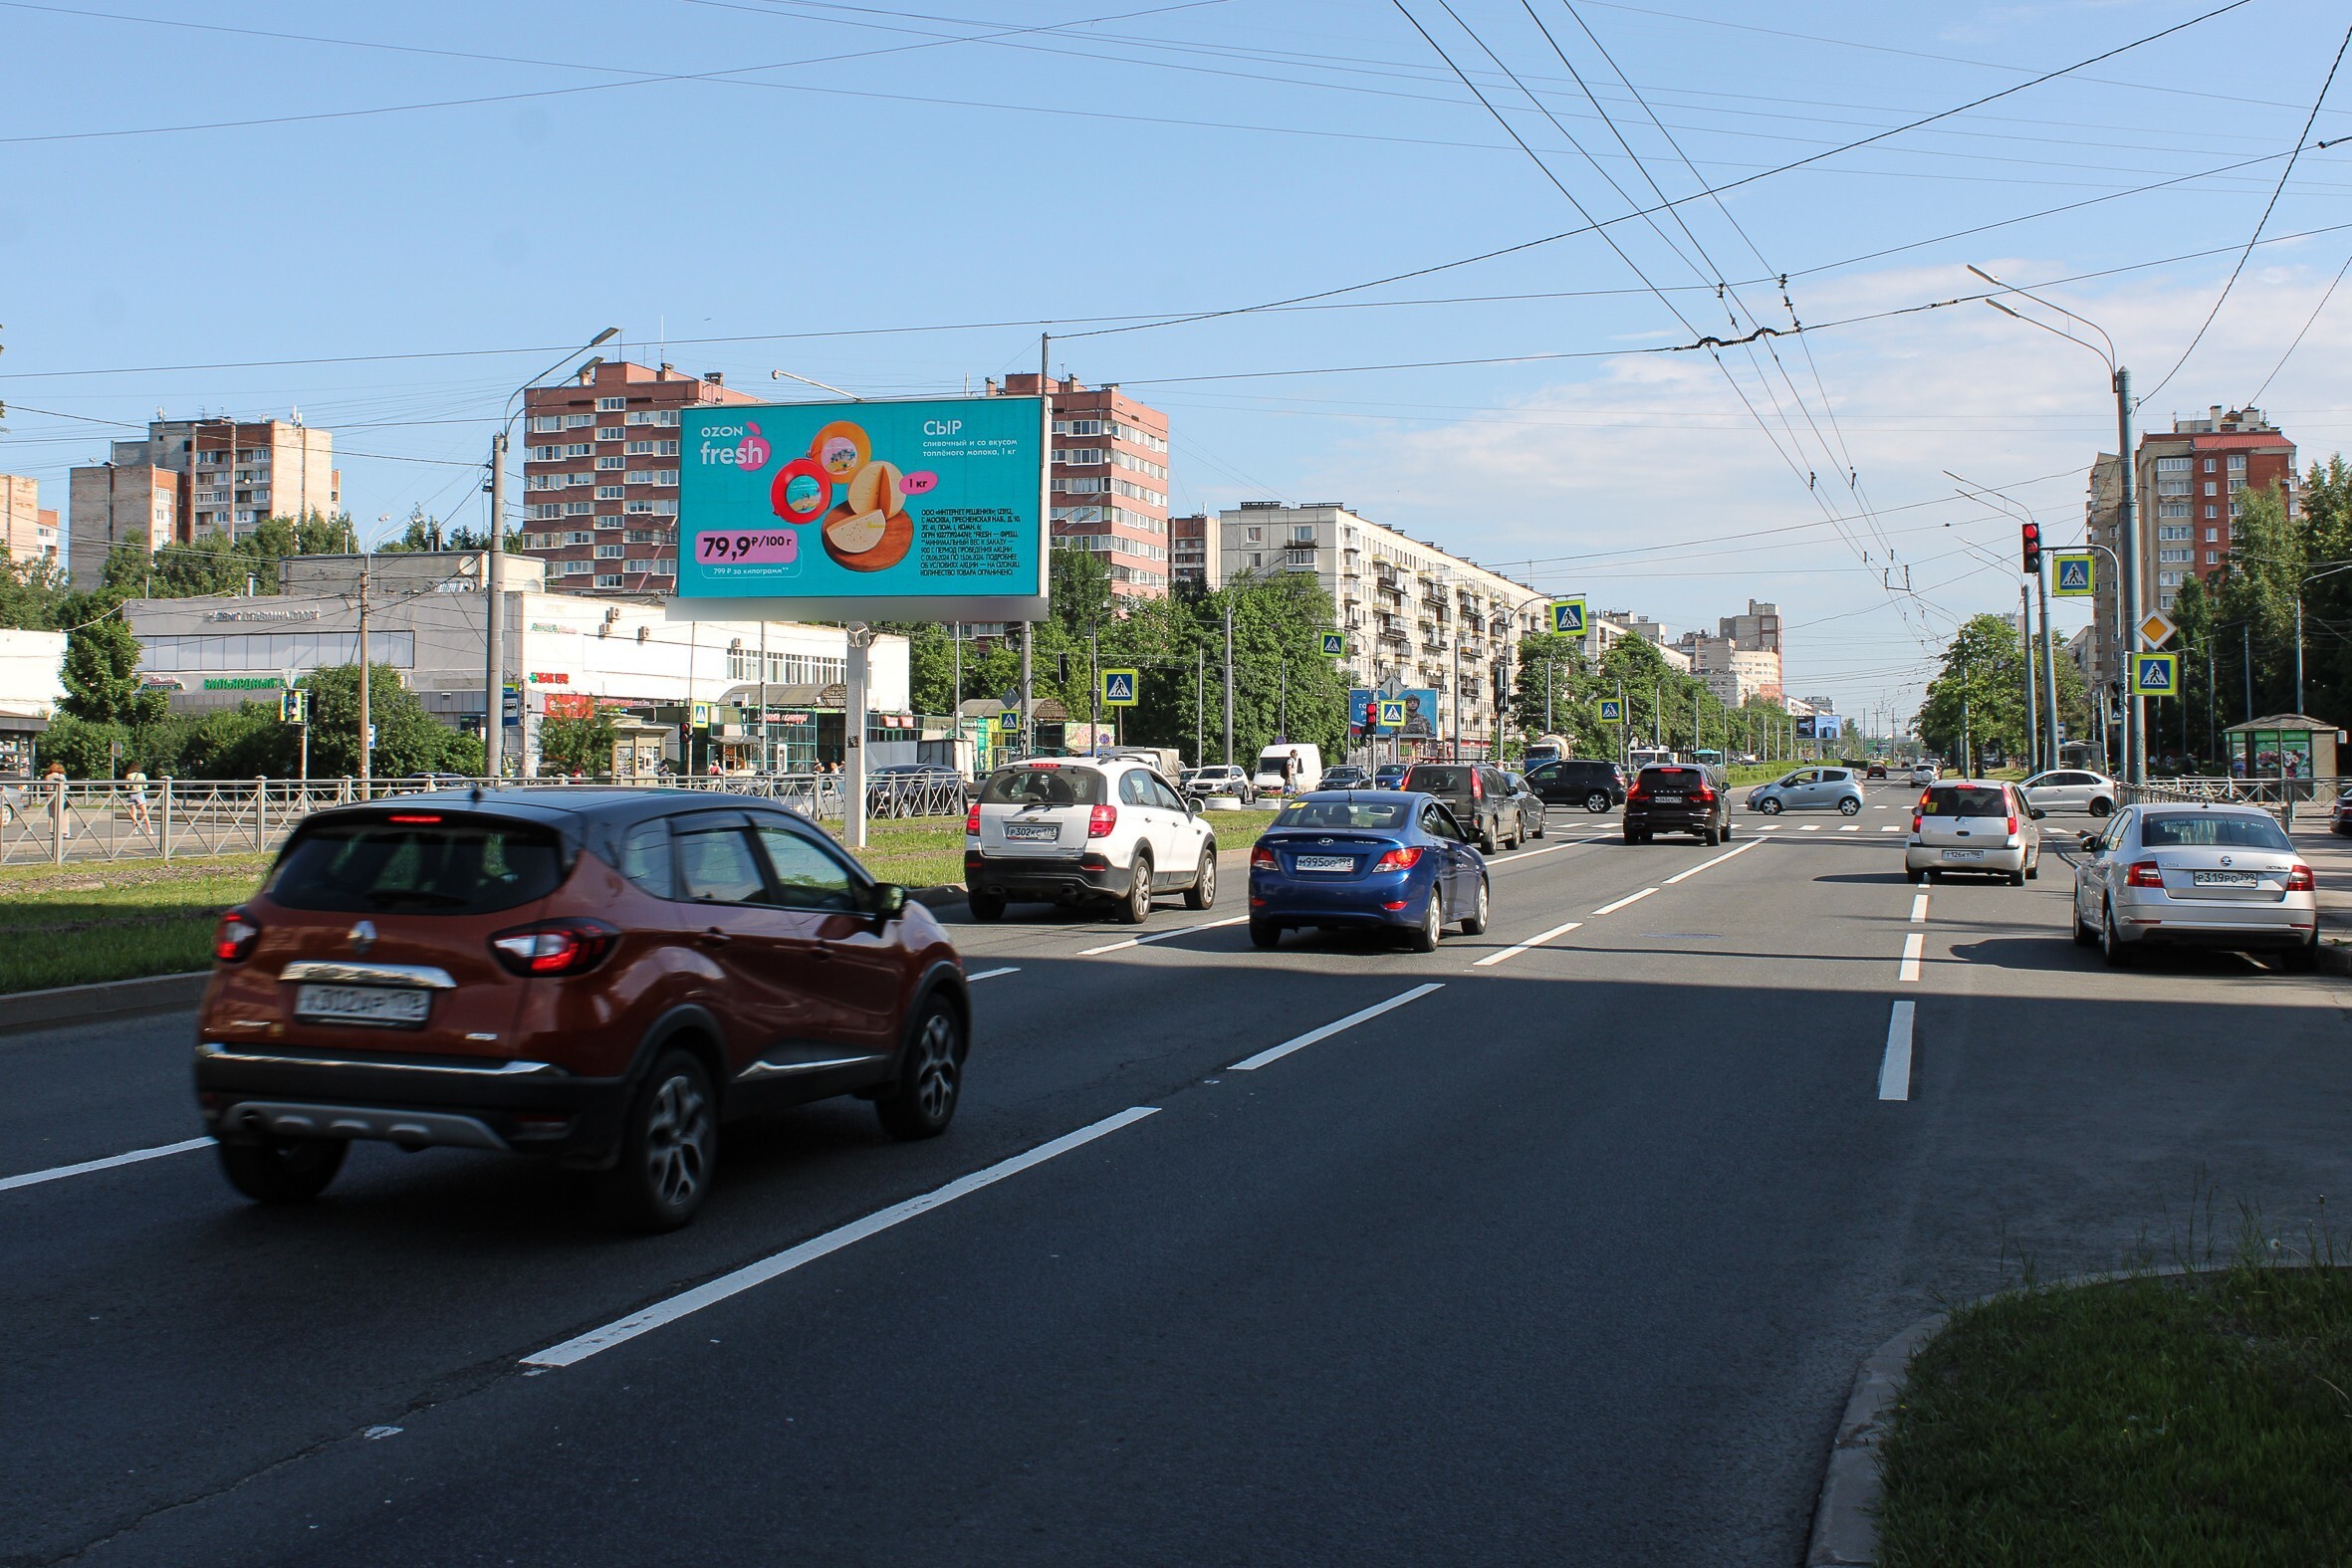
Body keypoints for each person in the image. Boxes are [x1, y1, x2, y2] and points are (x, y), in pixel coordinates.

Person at [122, 767, 151, 831]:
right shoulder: (142, 775)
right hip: (140, 794)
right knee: (144, 812)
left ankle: (135, 830)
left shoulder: (129, 775)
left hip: (132, 794)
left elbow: (127, 787)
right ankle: (149, 829)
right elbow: (146, 786)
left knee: (133, 813)